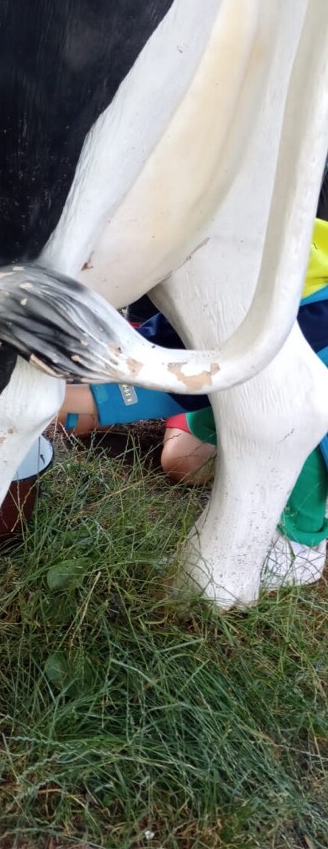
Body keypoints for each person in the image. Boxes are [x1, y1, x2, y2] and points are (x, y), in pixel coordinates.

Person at [56, 215, 328, 587]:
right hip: (253, 340)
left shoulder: (235, 293)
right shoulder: (189, 245)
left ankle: (302, 540)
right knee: (185, 460)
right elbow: (159, 345)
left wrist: (56, 397)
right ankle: (240, 441)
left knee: (294, 415)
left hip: (308, 361)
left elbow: (179, 369)